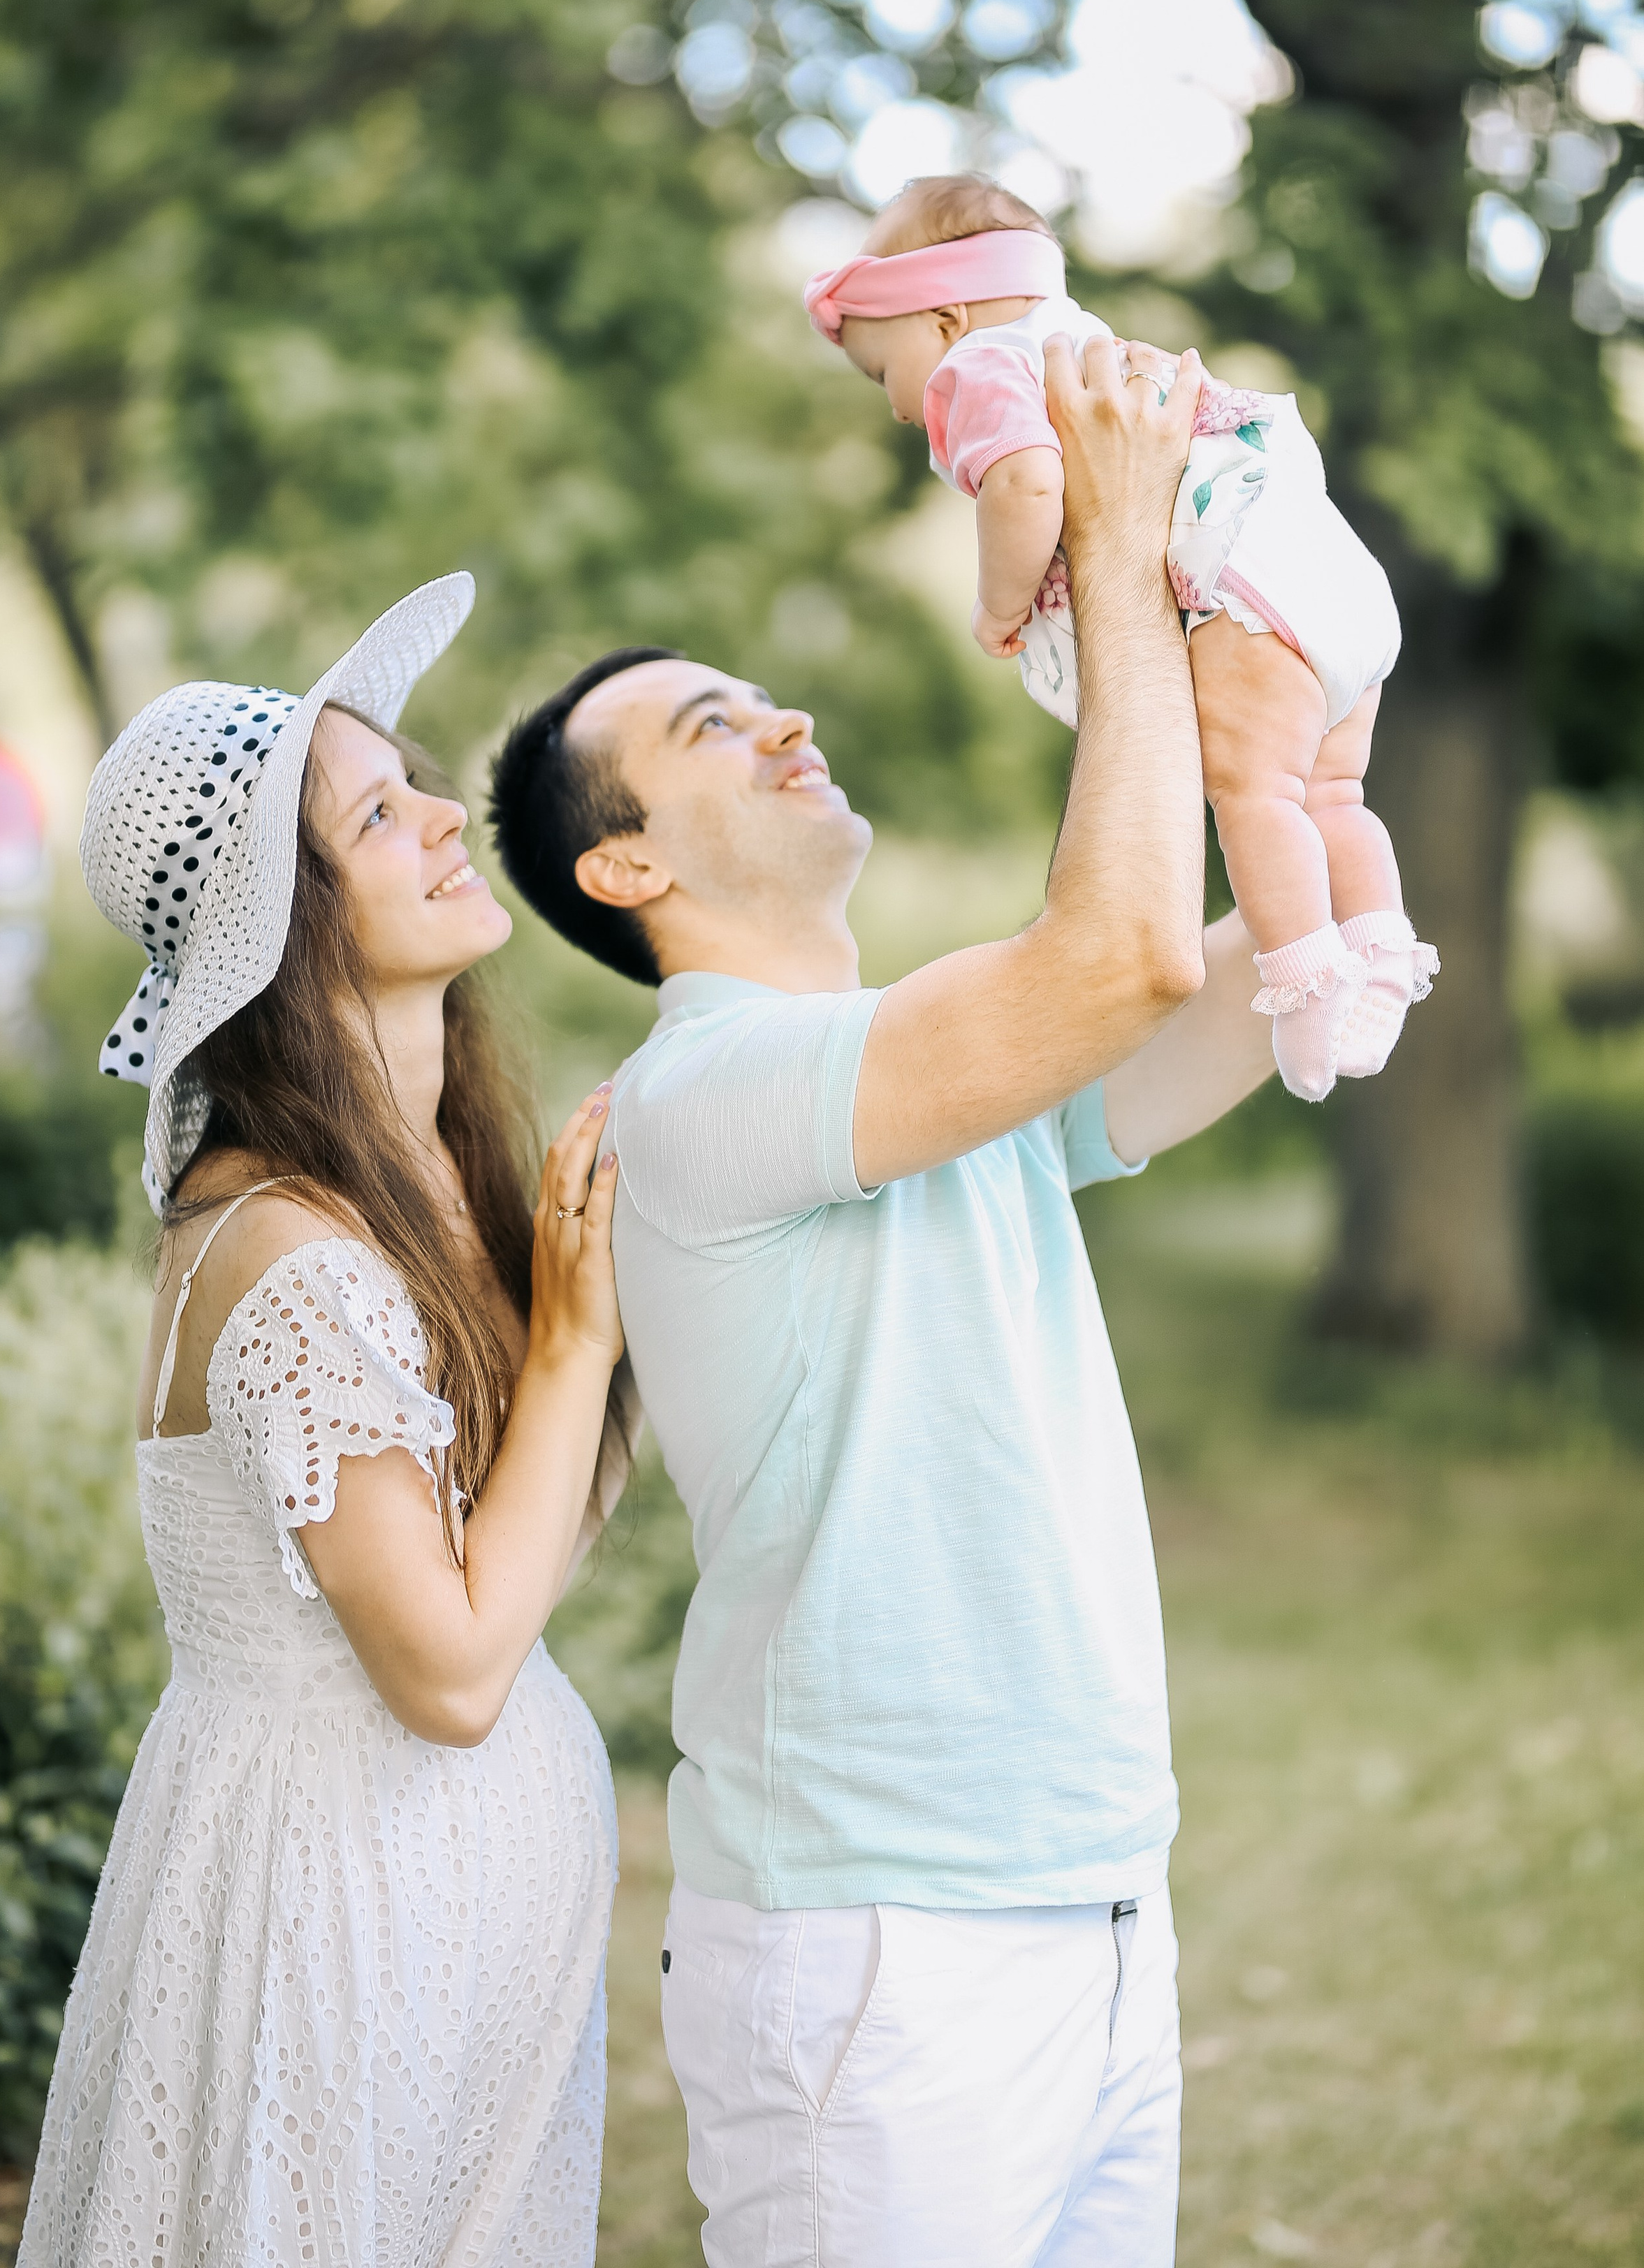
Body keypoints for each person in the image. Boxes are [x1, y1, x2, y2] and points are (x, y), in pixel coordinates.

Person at [487, 345, 1282, 2267]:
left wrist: (1240, 602)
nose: (782, 720)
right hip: (880, 1945)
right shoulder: (713, 1090)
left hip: (1093, 1886)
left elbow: (1288, 961)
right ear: (627, 863)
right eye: (707, 726)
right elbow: (1128, 952)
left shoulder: (922, 1072)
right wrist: (1100, 543)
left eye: (763, 695)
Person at [20, 573, 632, 2268]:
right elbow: (445, 1674)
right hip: (339, 1926)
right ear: (284, 924)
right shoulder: (289, 1259)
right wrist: (573, 1350)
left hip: (440, 1933)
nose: (446, 814)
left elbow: (514, 1546)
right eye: (379, 813)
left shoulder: (415, 1186)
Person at [805, 175, 1438, 1102]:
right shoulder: (1091, 342)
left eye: (879, 373)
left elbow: (1025, 488)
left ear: (941, 322)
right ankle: (1380, 947)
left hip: (1242, 592)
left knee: (1253, 791)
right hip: (1331, 578)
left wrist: (998, 604)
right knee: (1332, 793)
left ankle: (1307, 979)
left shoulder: (978, 368)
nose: (898, 406)